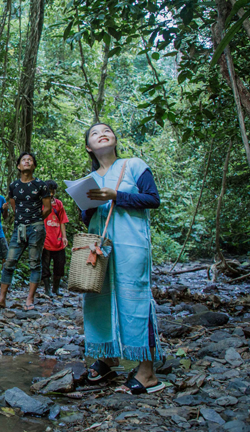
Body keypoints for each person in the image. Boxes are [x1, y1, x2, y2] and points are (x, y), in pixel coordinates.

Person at [81, 122, 164, 395]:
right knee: (98, 298)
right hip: (100, 247)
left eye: (107, 131)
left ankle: (147, 371)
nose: (102, 133)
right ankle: (108, 357)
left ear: (115, 139)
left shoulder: (134, 165)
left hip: (131, 244)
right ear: (89, 147)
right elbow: (87, 217)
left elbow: (153, 199)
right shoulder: (90, 179)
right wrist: (89, 206)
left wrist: (116, 195)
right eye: (95, 133)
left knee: (134, 299)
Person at [0, 152, 51, 310]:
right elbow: (14, 205)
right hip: (19, 228)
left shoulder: (41, 185)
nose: (27, 162)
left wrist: (35, 219)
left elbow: (48, 208)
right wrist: (22, 219)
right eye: (24, 160)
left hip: (36, 227)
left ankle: (29, 300)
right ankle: (2, 298)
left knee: (35, 263)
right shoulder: (14, 186)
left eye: (30, 160)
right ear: (18, 166)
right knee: (9, 262)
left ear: (34, 165)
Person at [41, 180, 69, 297]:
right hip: (46, 241)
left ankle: (56, 288)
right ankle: (47, 289)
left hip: (58, 241)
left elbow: (62, 221)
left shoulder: (59, 204)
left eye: (53, 191)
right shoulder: (40, 204)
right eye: (49, 191)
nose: (52, 194)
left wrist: (64, 237)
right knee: (45, 266)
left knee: (59, 265)